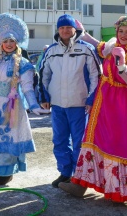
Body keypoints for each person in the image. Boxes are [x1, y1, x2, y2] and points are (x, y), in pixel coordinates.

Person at [59, 16, 127, 202]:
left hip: (124, 106)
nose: (123, 35)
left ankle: (121, 191)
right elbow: (100, 46)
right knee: (93, 138)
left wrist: (122, 66)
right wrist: (83, 32)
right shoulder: (113, 45)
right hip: (104, 102)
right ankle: (80, 185)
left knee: (119, 143)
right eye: (121, 31)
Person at [0, 13, 47, 185]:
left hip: (12, 108)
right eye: (6, 41)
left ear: (17, 42)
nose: (9, 44)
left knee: (6, 138)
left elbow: (27, 88)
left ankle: (6, 171)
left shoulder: (23, 63)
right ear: (1, 44)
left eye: (12, 41)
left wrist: (34, 105)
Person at [39, 14, 101, 188]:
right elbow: (44, 75)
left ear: (75, 29)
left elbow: (97, 75)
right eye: (61, 28)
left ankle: (79, 175)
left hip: (79, 104)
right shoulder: (51, 50)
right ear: (58, 30)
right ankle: (65, 173)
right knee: (59, 140)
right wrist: (44, 97)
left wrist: (91, 98)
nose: (65, 31)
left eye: (68, 27)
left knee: (79, 141)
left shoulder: (86, 48)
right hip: (58, 104)